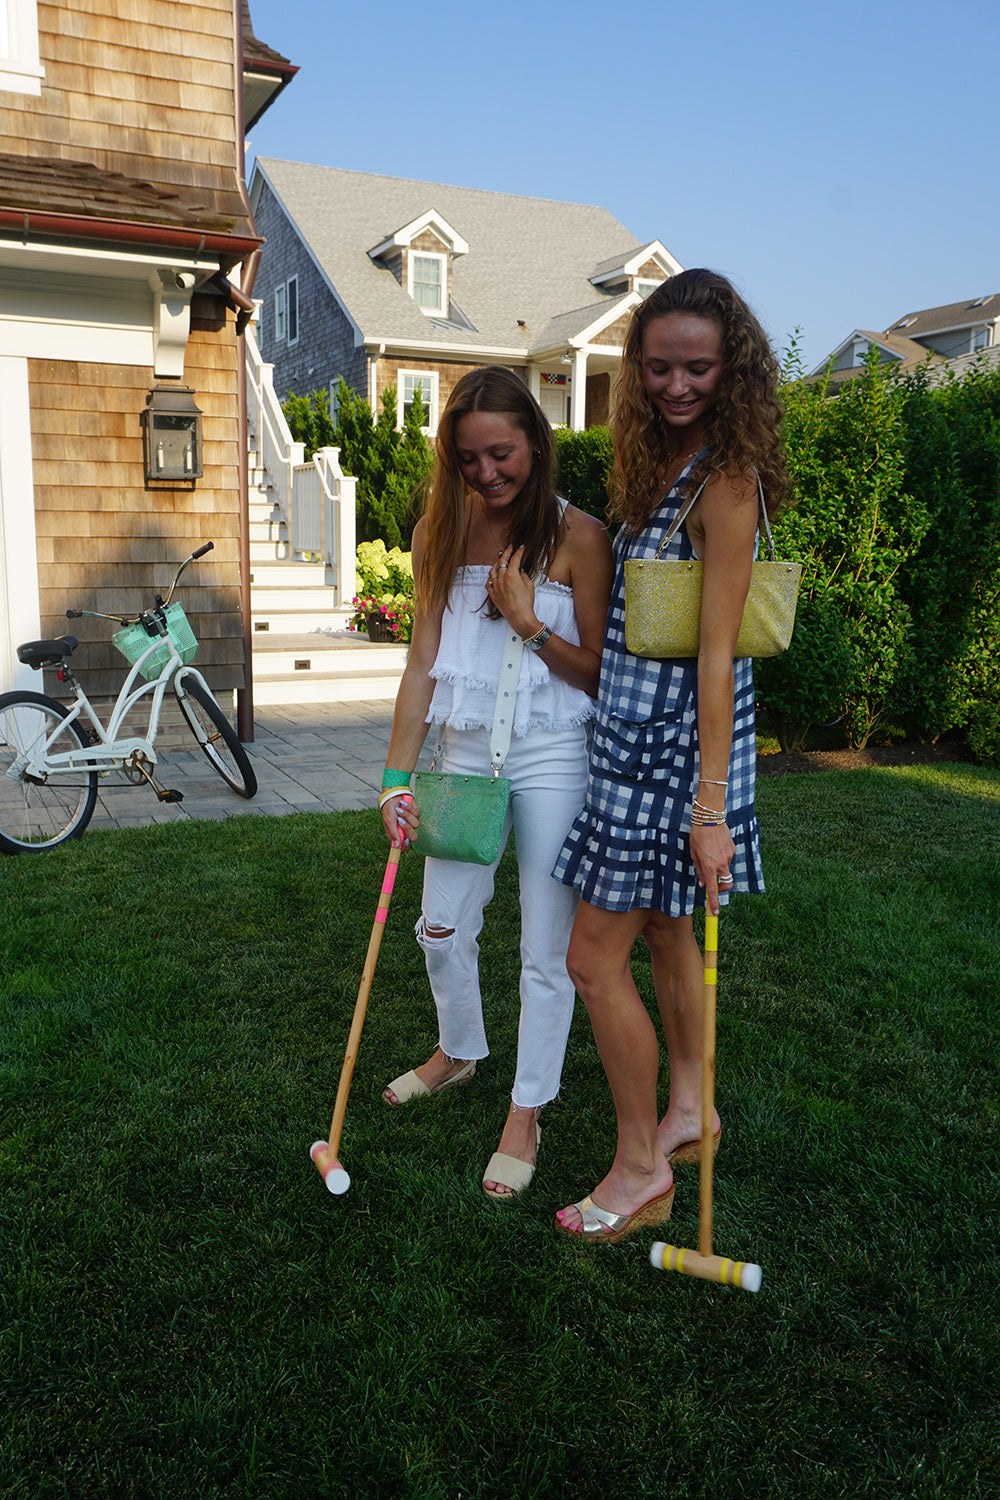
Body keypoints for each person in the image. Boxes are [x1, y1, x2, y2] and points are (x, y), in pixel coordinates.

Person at [552, 269, 791, 1242]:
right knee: (662, 932)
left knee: (590, 961)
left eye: (698, 367)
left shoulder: (724, 482)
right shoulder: (662, 464)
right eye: (658, 367)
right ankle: (691, 1109)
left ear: (733, 366)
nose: (677, 386)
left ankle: (642, 1163)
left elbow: (719, 655)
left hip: (672, 765)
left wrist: (708, 810)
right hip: (632, 746)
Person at [378, 365, 614, 1199]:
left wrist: (528, 623)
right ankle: (460, 1051)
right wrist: (394, 777)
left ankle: (527, 1108)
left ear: (535, 444)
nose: (485, 473)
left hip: (553, 754)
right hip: (463, 752)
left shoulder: (580, 537)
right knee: (440, 926)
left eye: (501, 454)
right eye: (468, 458)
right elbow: (422, 662)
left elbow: (600, 674)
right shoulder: (438, 532)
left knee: (546, 949)